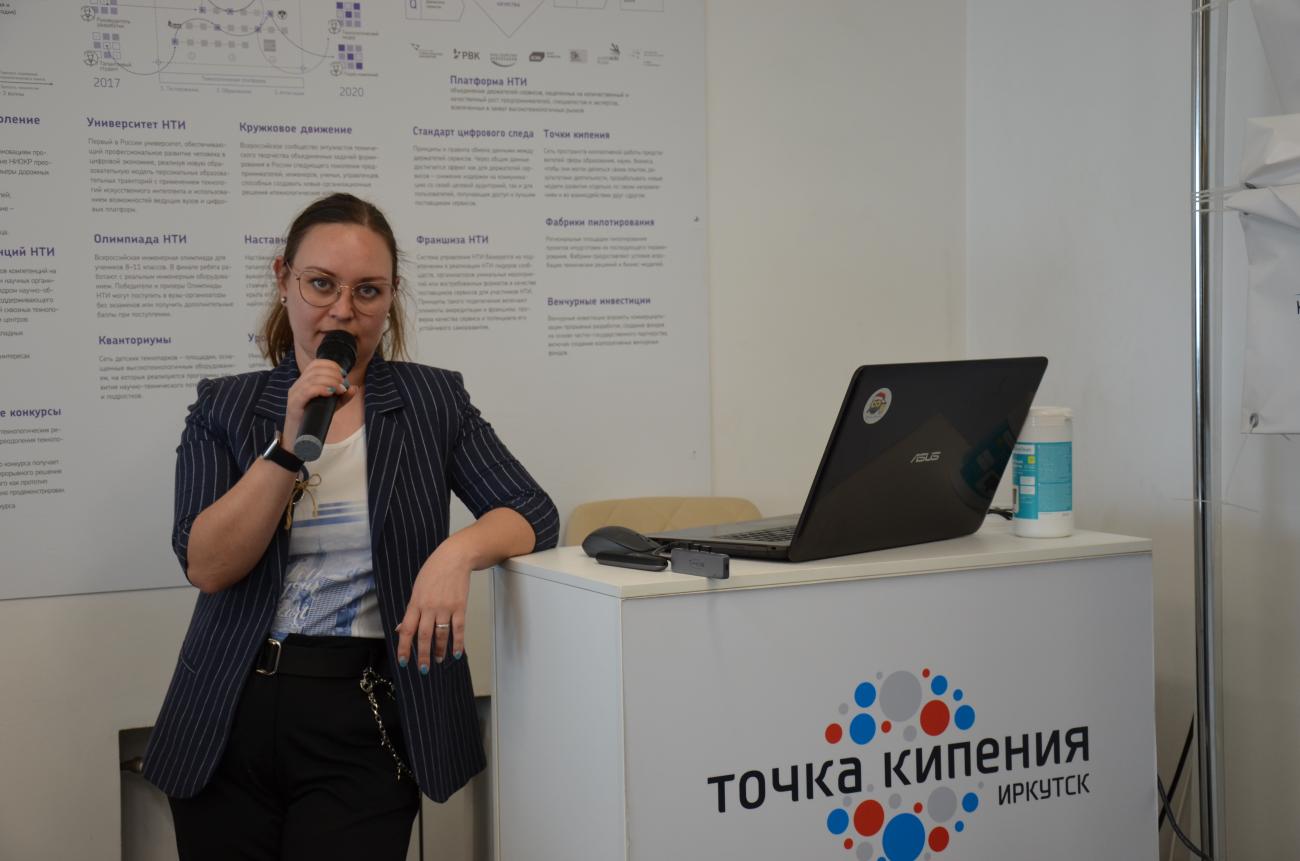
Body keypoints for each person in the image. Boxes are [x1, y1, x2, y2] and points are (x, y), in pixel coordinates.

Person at [143, 192, 559, 859]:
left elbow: (532, 510)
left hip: (366, 710)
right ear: (283, 279)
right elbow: (208, 565)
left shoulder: (432, 400)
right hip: (228, 708)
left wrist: (454, 555)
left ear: (390, 297)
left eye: (368, 290)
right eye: (321, 284)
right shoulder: (225, 405)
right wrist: (287, 445)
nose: (343, 310)